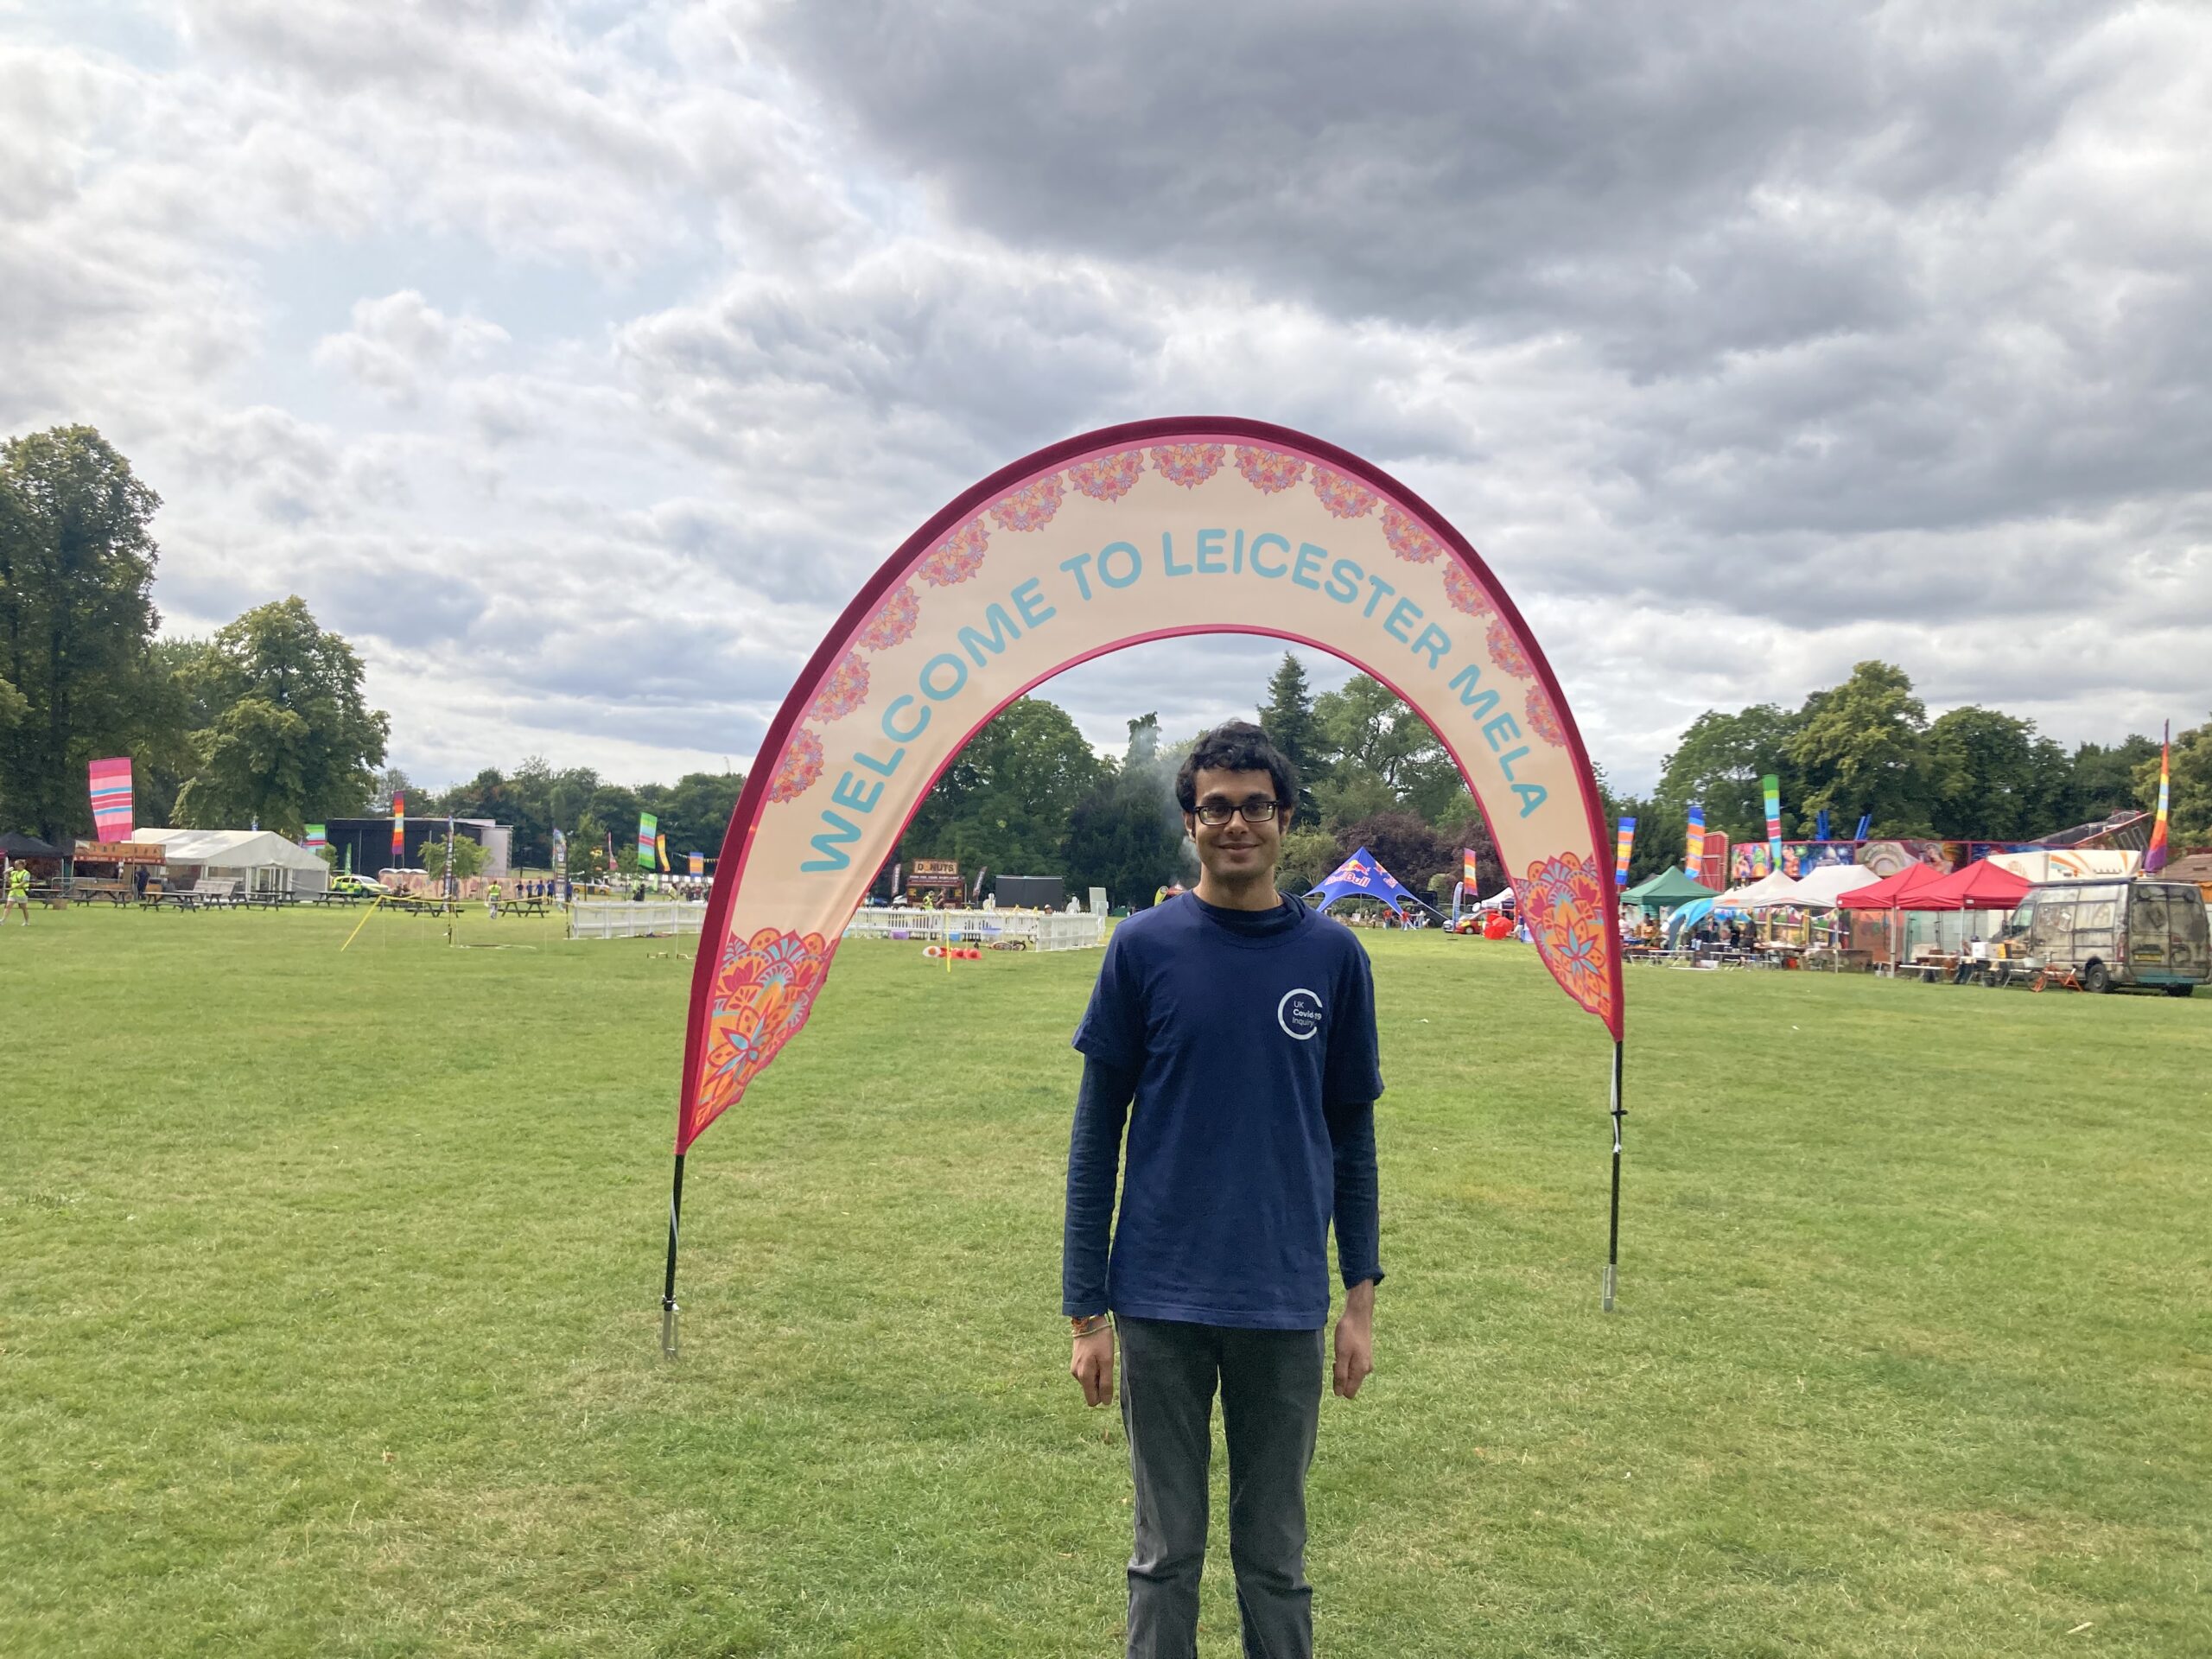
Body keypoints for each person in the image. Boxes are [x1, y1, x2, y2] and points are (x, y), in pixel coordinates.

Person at [1064, 720, 1382, 1659]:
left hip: (1281, 1302)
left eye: (1254, 806)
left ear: (1284, 819)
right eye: (1215, 807)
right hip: (1158, 1300)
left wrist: (1357, 1298)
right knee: (1164, 1554)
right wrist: (1086, 1315)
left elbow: (1352, 1141)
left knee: (1275, 1557)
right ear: (1190, 821)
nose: (1235, 823)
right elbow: (1094, 1142)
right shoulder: (1142, 948)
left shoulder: (1332, 960)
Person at [3, 860, 29, 926]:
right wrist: (7, 874)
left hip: (21, 892)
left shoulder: (26, 873)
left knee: (24, 908)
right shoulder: (14, 873)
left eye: (17, 864)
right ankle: (3, 920)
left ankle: (26, 921)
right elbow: (11, 882)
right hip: (13, 892)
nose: (16, 866)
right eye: (15, 864)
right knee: (8, 906)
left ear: (22, 865)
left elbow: (23, 882)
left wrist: (15, 887)